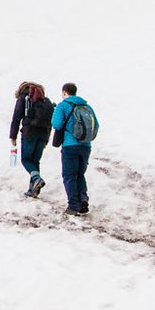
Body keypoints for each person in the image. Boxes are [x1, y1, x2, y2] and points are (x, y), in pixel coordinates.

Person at [50, 82, 99, 215]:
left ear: (65, 92)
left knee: (69, 176)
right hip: (85, 145)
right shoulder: (86, 106)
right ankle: (83, 200)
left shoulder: (63, 105)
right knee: (80, 174)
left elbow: (56, 124)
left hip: (70, 145)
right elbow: (97, 125)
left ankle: (73, 206)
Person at [7, 81, 55, 198]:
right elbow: (50, 122)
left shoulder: (23, 99)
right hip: (43, 135)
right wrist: (47, 138)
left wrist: (13, 136)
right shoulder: (45, 101)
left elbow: (16, 118)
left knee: (26, 159)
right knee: (35, 161)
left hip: (29, 133)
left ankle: (37, 179)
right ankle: (33, 189)